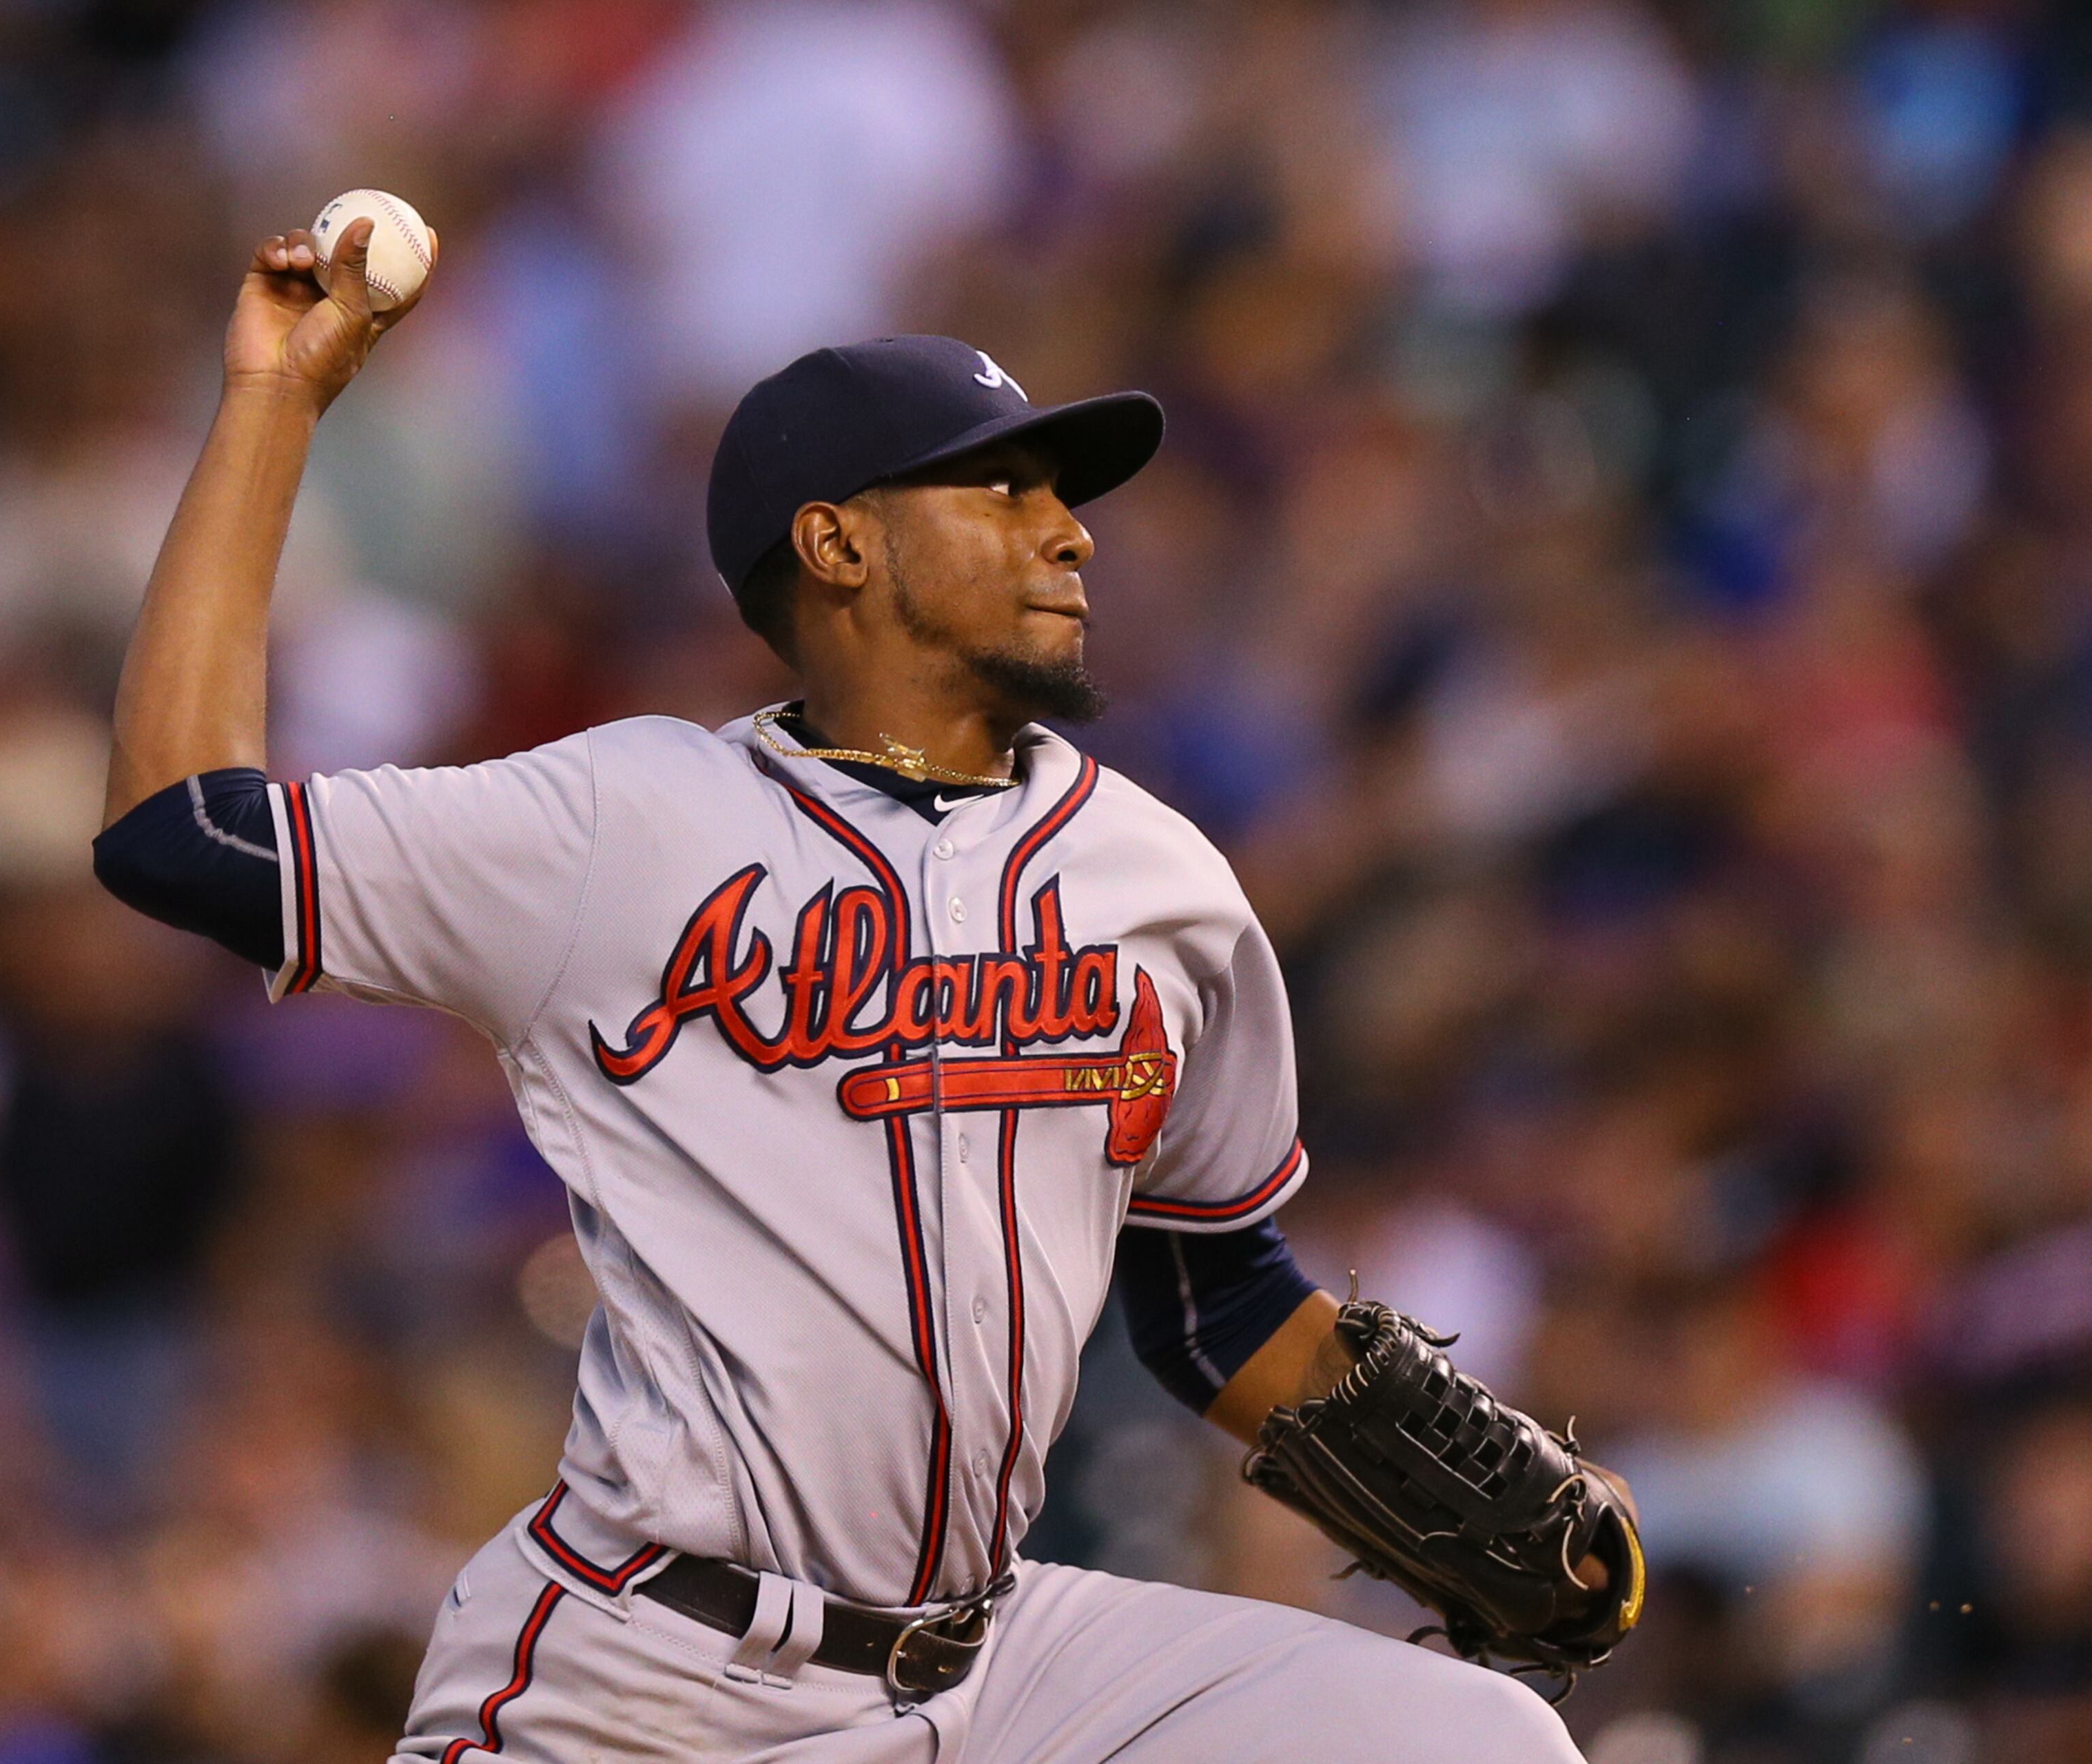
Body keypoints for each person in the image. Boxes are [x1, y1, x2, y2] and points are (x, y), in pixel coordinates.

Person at [92, 218, 1604, 1762]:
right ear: (837, 544)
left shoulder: (1163, 881)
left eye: (1063, 495)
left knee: (1477, 1741)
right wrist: (276, 405)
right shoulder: (624, 821)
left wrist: (1462, 1492)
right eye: (1001, 489)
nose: (1069, 531)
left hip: (998, 1662)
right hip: (653, 1668)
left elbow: (1214, 1292)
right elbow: (181, 831)